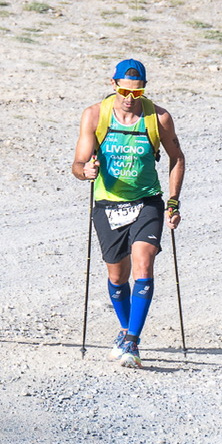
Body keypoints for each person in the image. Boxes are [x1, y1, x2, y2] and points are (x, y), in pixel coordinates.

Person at [71, 58, 186, 369]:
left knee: (144, 263)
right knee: (117, 276)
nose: (129, 98)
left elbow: (177, 159)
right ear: (113, 85)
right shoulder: (95, 115)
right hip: (108, 204)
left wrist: (173, 202)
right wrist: (87, 171)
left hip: (147, 200)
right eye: (124, 91)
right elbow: (77, 165)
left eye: (137, 93)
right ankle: (124, 330)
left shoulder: (158, 118)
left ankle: (133, 341)